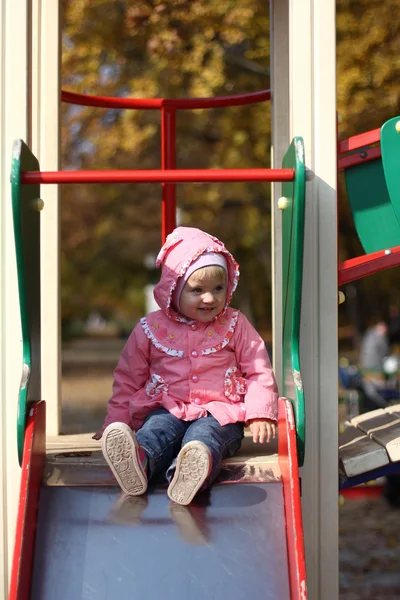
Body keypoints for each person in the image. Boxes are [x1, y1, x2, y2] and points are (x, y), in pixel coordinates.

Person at [94, 227, 278, 505]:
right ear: (174, 289)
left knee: (205, 436)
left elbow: (257, 367)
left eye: (218, 288)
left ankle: (191, 471)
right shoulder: (150, 329)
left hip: (220, 412)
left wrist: (260, 412)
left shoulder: (234, 324)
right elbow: (128, 378)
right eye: (197, 290)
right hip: (168, 407)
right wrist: (117, 421)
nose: (209, 298)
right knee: (155, 431)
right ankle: (138, 463)